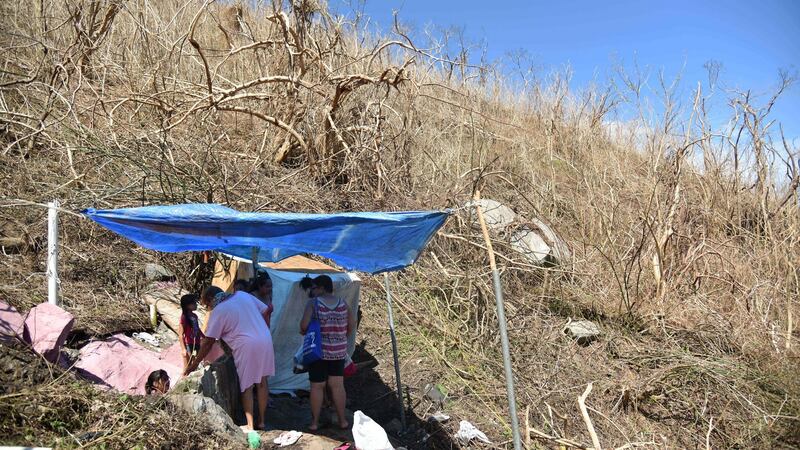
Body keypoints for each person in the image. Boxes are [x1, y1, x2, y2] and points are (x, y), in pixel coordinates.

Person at [184, 286, 275, 431]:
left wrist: (193, 364)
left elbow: (208, 342)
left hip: (246, 345)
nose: (209, 308)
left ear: (210, 299)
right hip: (265, 339)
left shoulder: (219, 311)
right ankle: (262, 421)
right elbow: (268, 309)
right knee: (262, 382)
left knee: (247, 386)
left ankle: (250, 426)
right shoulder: (243, 295)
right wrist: (264, 326)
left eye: (207, 305)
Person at [299, 275, 356, 431]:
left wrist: (306, 329)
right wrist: (340, 337)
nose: (313, 290)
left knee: (317, 386)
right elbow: (351, 326)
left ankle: (315, 423)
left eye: (315, 287)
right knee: (337, 386)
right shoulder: (344, 304)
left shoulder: (314, 304)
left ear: (322, 288)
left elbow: (303, 326)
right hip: (338, 352)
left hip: (318, 352)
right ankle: (343, 421)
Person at [178, 293, 204, 370]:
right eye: (194, 303)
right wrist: (183, 349)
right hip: (189, 343)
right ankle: (185, 377)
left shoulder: (195, 316)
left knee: (196, 361)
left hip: (197, 342)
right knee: (188, 364)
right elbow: (180, 334)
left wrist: (204, 337)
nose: (196, 305)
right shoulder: (184, 317)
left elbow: (197, 328)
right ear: (187, 305)